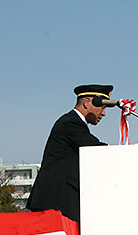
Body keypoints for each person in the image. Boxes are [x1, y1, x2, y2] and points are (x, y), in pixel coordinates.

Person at [27, 84, 113, 223]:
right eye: (102, 107)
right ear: (87, 102)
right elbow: (96, 148)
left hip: (60, 202)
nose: (103, 113)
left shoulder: (73, 123)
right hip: (56, 201)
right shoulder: (70, 123)